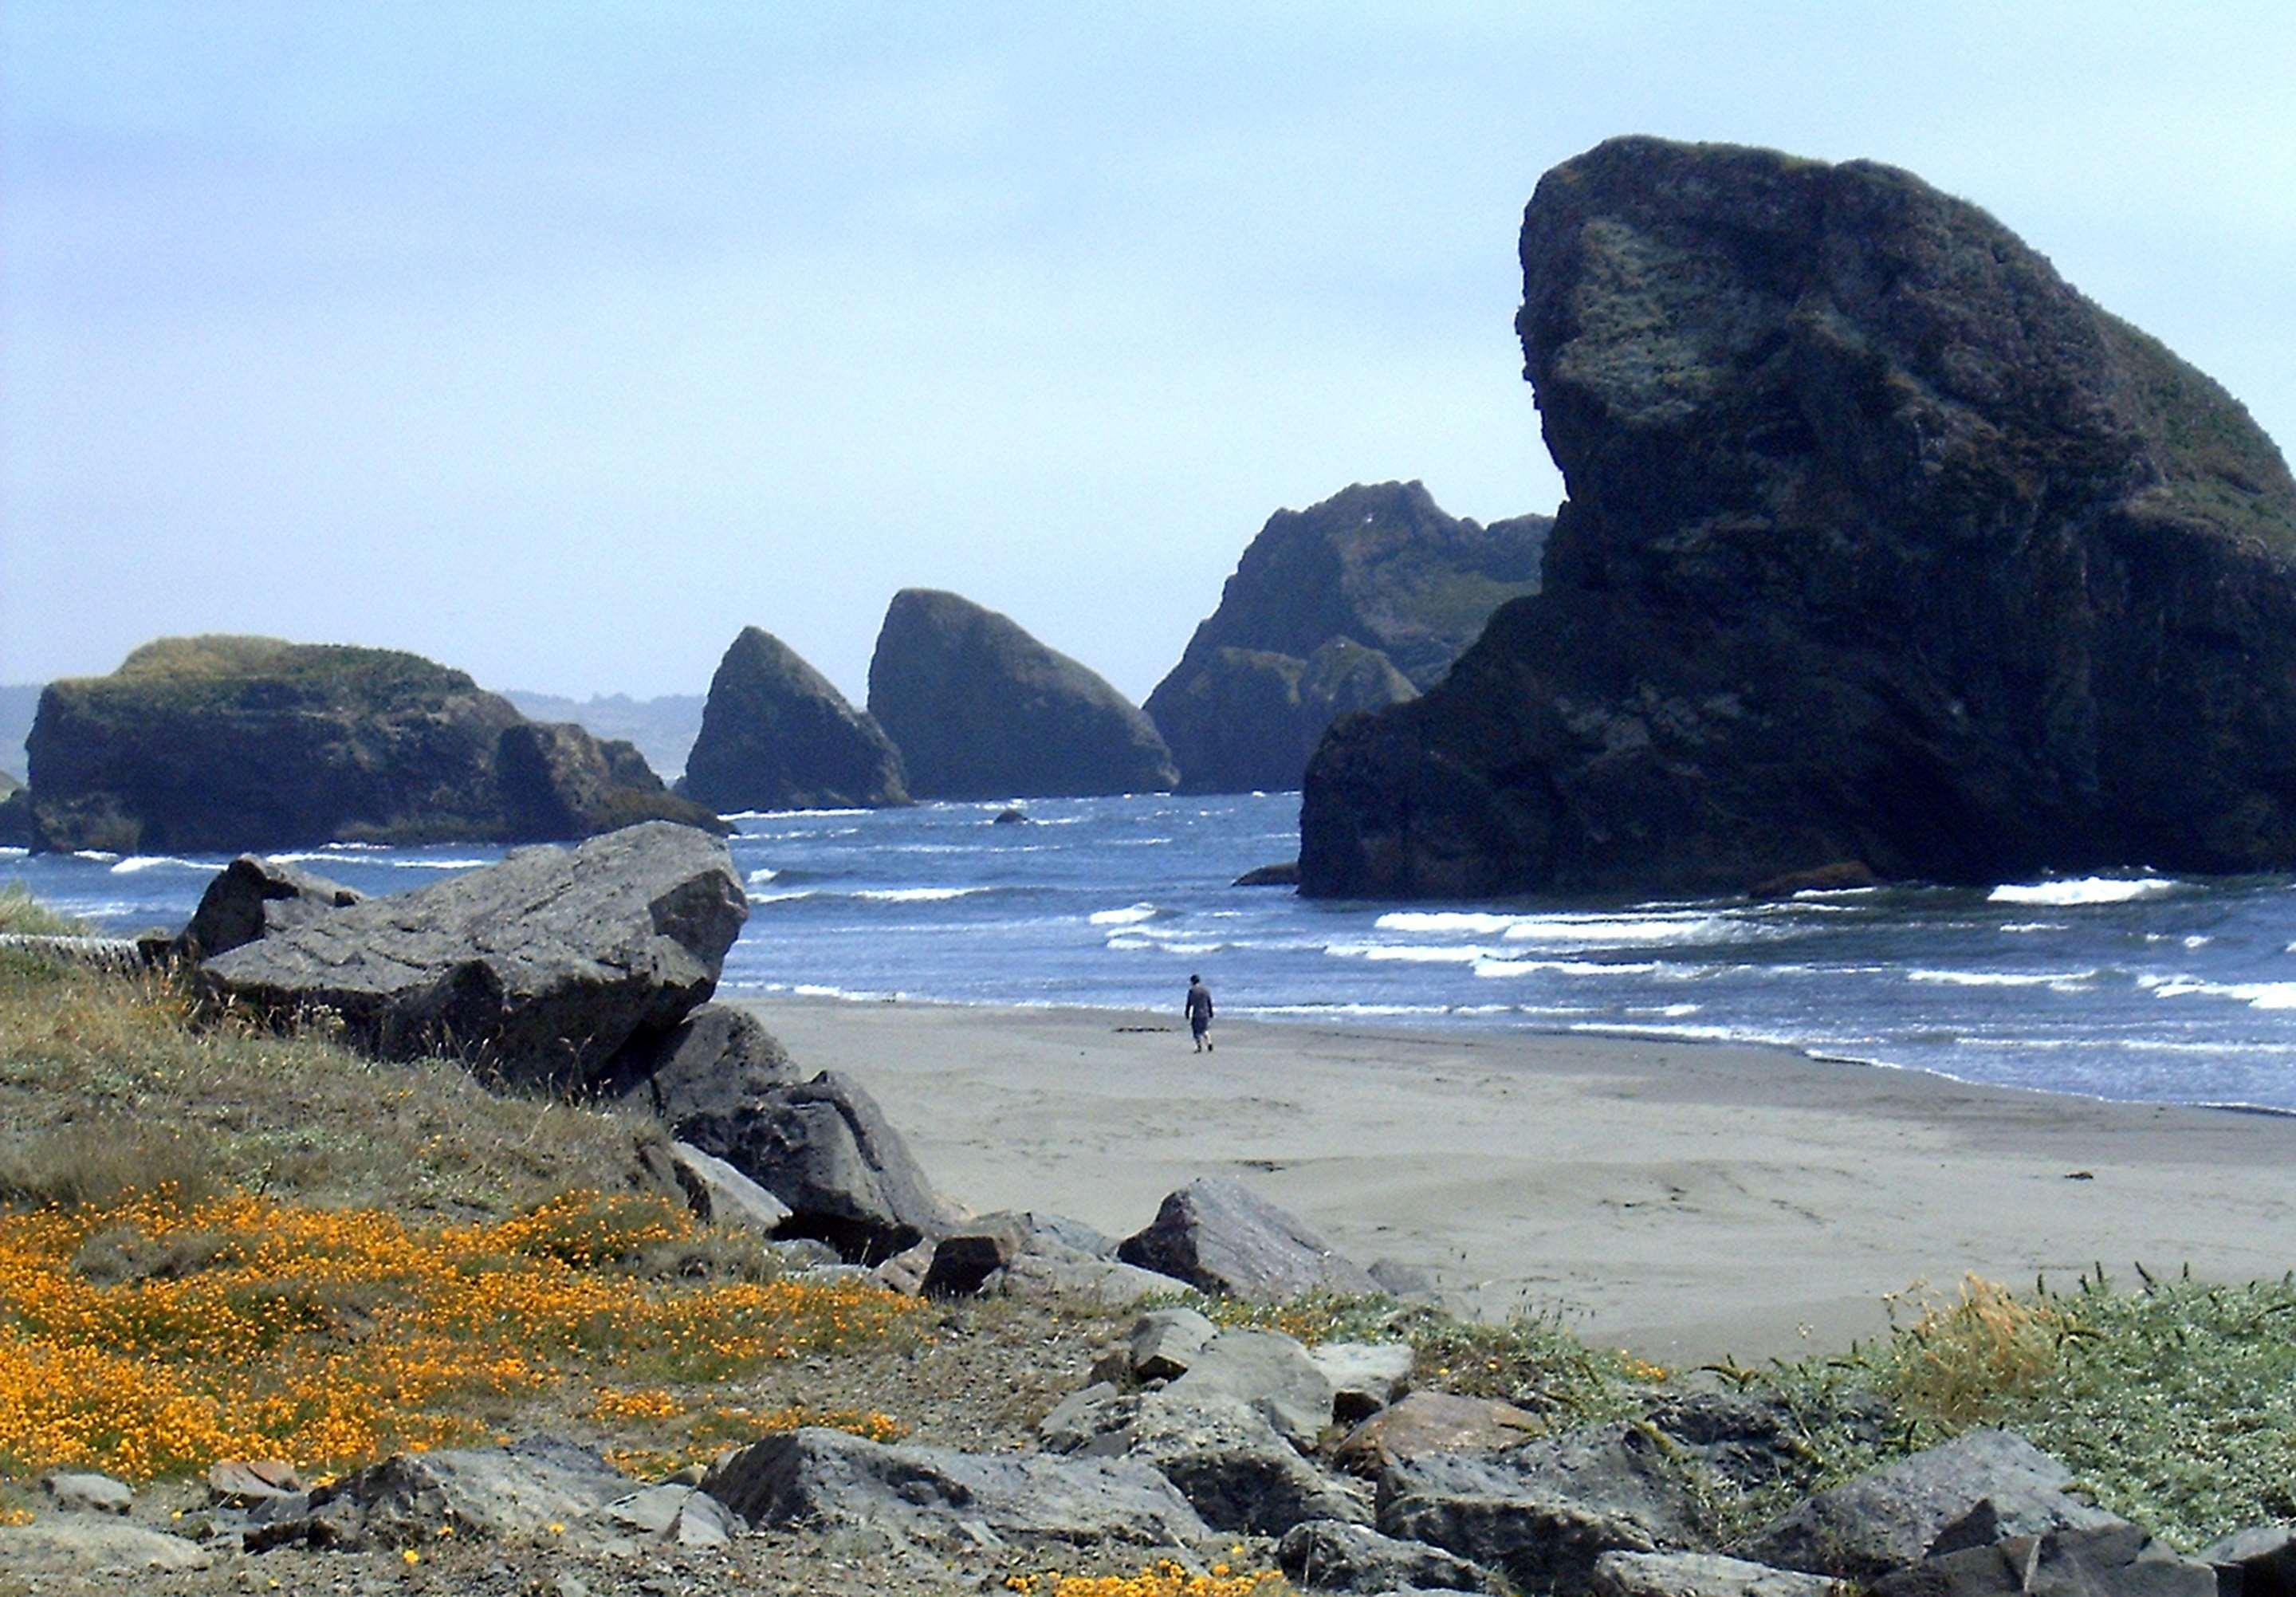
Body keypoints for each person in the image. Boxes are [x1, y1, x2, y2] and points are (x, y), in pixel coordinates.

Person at [1185, 973, 1214, 1052]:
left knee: (1196, 1032)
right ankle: (1209, 1043)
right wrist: (1211, 1013)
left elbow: (1189, 1004)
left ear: (1192, 982)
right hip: (1205, 1013)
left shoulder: (1192, 991)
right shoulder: (1205, 990)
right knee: (1205, 1030)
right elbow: (1209, 1003)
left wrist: (1187, 1013)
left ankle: (1199, 1046)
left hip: (1196, 1014)